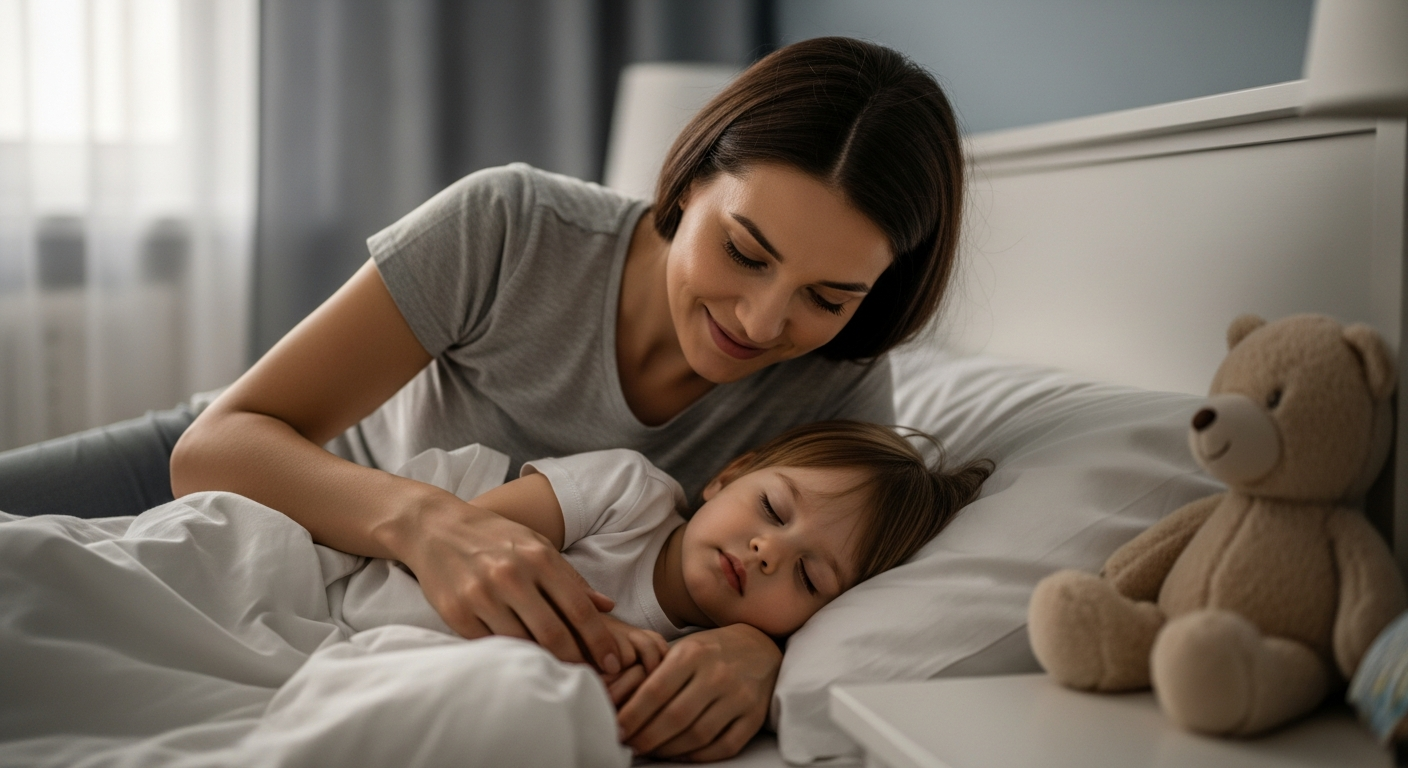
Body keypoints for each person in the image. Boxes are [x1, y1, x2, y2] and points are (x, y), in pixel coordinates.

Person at [0, 37, 964, 760]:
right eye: (744, 251)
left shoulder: (836, 384)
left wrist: (762, 660)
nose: (760, 320)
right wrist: (430, 526)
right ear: (690, 179)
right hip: (280, 475)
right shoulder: (511, 226)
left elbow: (836, 571)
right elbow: (217, 449)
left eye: (829, 297)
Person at [471, 420, 992, 716]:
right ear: (728, 475)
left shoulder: (710, 668)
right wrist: (598, 632)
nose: (769, 551)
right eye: (772, 509)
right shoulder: (625, 494)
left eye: (809, 578)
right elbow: (474, 534)